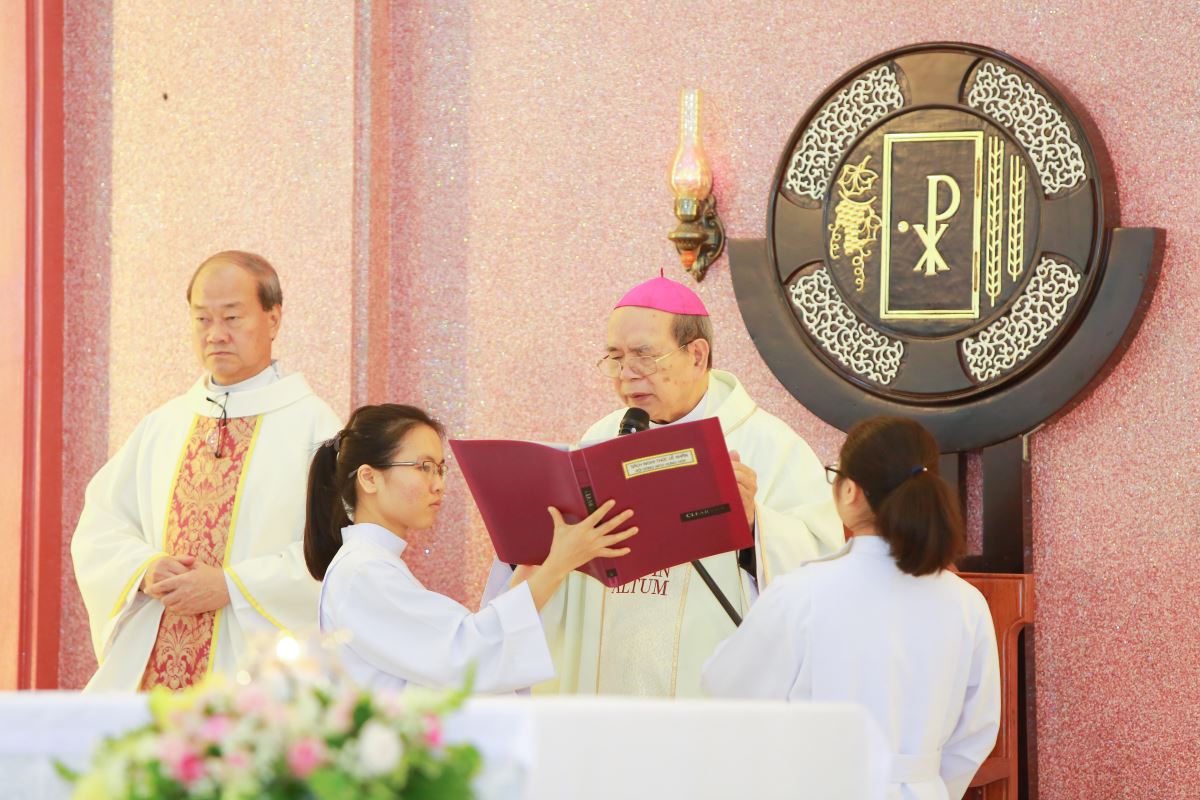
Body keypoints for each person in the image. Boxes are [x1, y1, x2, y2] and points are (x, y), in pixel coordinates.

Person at [484, 273, 844, 697]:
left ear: (697, 355)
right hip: (604, 689)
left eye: (644, 356)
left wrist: (754, 527)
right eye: (615, 358)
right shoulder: (599, 439)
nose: (626, 374)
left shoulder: (771, 446)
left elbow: (822, 570)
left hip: (709, 707)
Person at [71, 251, 341, 691]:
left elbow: (336, 552)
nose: (216, 334)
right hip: (154, 659)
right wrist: (143, 569)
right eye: (202, 319)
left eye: (232, 317)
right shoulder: (164, 424)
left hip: (258, 669)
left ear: (273, 319)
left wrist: (232, 586)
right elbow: (101, 527)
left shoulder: (316, 428)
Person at [702, 416, 1000, 800]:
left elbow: (727, 687)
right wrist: (922, 781)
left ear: (850, 491)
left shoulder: (803, 592)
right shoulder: (966, 602)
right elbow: (976, 732)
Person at [305, 403, 638, 693]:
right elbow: (462, 655)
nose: (439, 484)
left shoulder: (371, 564)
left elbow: (464, 645)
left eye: (440, 469)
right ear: (368, 478)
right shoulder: (364, 571)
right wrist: (557, 567)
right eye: (424, 467)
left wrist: (530, 573)